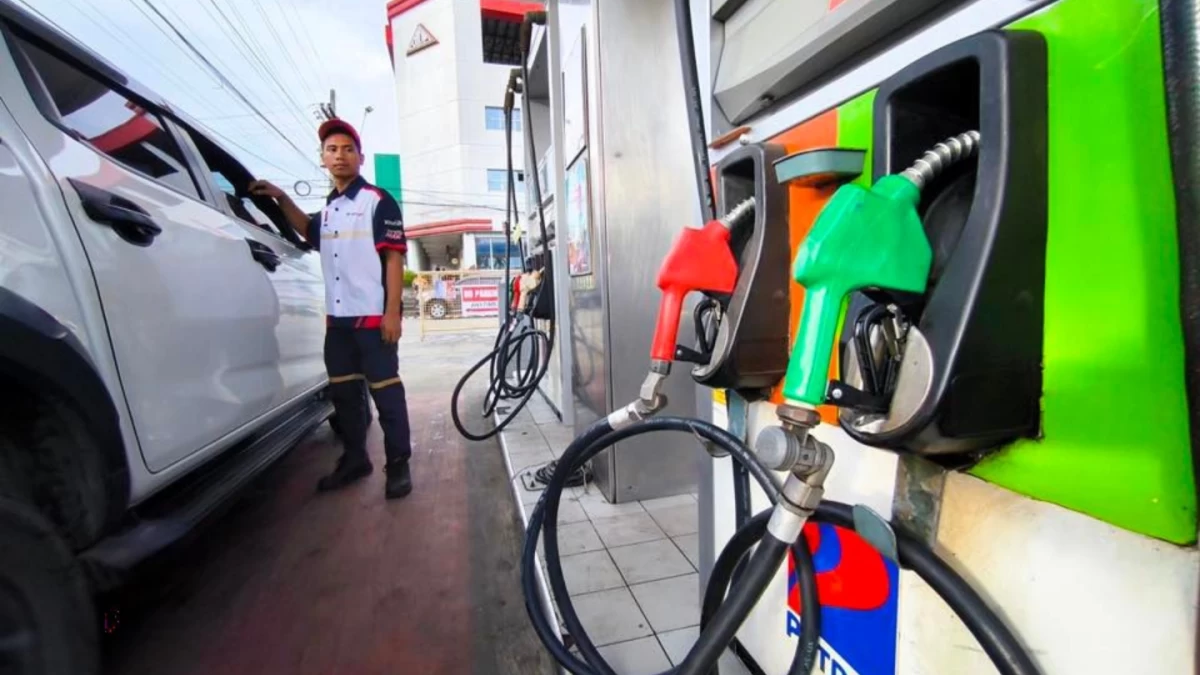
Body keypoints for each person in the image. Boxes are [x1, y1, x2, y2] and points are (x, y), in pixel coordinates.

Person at [248, 118, 414, 500]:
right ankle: (356, 459)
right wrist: (280, 198)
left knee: (387, 395)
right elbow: (308, 231)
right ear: (322, 159)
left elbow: (393, 260)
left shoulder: (377, 201)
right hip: (338, 323)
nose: (340, 156)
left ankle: (399, 463)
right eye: (332, 150)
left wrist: (392, 314)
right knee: (344, 398)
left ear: (360, 158)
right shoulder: (331, 209)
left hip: (373, 320)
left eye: (347, 149)